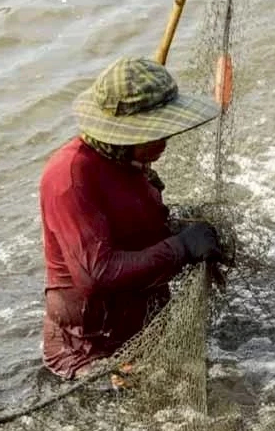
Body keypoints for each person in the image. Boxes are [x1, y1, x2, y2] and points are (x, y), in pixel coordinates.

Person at [39, 57, 225, 380]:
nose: (165, 139)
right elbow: (98, 273)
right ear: (124, 134)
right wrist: (180, 248)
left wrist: (185, 232)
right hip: (91, 352)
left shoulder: (129, 162)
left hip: (146, 328)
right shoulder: (69, 178)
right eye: (156, 131)